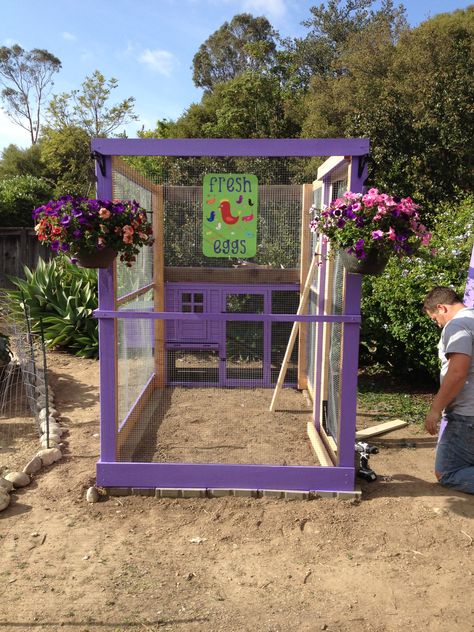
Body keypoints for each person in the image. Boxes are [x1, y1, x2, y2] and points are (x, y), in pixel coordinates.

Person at [423, 286, 474, 494]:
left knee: (448, 472)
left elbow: (457, 373)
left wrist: (436, 409)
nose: (437, 324)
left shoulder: (458, 325)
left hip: (466, 415)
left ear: (441, 308)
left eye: (435, 318)